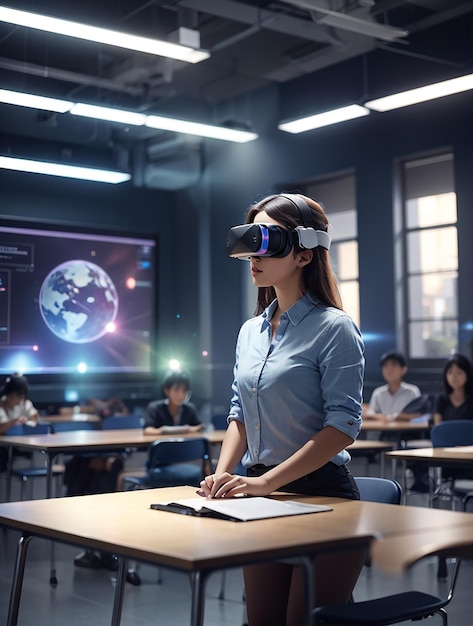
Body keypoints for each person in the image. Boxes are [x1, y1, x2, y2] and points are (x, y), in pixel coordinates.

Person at [199, 193, 367, 626]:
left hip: (325, 499)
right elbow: (239, 410)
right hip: (259, 491)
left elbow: (343, 427)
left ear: (304, 253)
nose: (254, 255)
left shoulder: (335, 328)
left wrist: (267, 482)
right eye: (250, 241)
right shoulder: (250, 332)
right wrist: (224, 472)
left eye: (267, 241)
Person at [363, 351, 422, 422]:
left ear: (403, 369)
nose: (389, 369)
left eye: (393, 365)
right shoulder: (378, 392)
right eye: (385, 366)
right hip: (382, 431)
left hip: (406, 431)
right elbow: (371, 414)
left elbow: (418, 415)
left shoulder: (412, 391)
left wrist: (395, 417)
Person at [143, 369, 204, 436]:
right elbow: (147, 431)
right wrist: (187, 429)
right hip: (163, 446)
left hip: (184, 446)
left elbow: (199, 427)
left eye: (184, 391)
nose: (180, 395)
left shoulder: (189, 409)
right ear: (166, 390)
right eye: (176, 390)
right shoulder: (154, 408)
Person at [0, 373, 39, 472]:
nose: (19, 399)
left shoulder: (24, 403)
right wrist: (15, 421)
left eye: (22, 396)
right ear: (8, 394)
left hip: (22, 445)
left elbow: (34, 416)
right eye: (16, 395)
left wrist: (28, 422)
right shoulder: (1, 404)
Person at [433, 353, 473, 425]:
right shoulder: (441, 400)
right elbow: (437, 429)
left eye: (459, 373)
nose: (453, 377)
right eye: (450, 372)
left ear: (468, 375)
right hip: (446, 436)